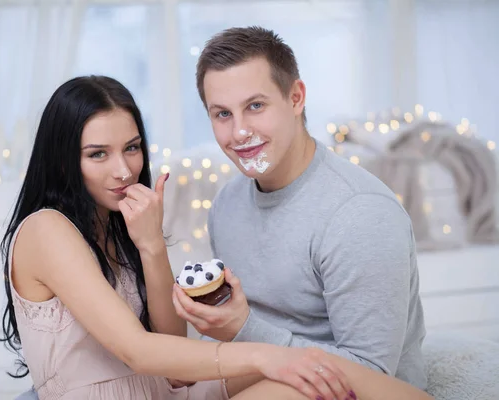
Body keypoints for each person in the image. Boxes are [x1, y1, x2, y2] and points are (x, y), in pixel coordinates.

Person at [0, 75, 358, 400]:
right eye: (98, 155)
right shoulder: (45, 230)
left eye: (132, 148)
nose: (124, 170)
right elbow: (137, 351)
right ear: (64, 161)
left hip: (167, 392)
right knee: (292, 371)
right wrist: (266, 355)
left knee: (325, 374)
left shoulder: (116, 225)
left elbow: (175, 358)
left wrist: (151, 244)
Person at [173, 26, 431, 397]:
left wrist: (242, 328)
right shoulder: (227, 204)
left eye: (255, 106)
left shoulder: (359, 213)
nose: (240, 132)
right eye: (222, 114)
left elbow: (372, 375)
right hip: (263, 371)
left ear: (296, 98)